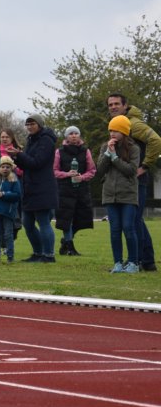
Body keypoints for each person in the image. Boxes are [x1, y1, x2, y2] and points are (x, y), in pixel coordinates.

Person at [107, 93, 160, 272]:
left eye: (116, 104)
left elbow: (156, 141)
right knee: (136, 221)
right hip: (126, 181)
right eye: (110, 105)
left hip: (135, 180)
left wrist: (144, 166)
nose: (113, 107)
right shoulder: (118, 124)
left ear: (125, 105)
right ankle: (146, 261)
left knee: (134, 221)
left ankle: (138, 261)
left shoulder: (134, 124)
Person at [13, 114, 59, 263]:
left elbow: (37, 163)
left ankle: (49, 255)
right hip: (30, 187)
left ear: (39, 124)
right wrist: (16, 158)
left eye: (32, 124)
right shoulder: (31, 140)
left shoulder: (46, 140)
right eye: (27, 124)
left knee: (43, 221)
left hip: (42, 187)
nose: (29, 127)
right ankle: (38, 253)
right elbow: (27, 164)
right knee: (27, 223)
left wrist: (20, 154)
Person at [98, 114, 141, 273]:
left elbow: (131, 171)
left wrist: (115, 157)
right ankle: (117, 263)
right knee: (115, 230)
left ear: (124, 132)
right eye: (110, 130)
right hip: (110, 195)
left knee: (128, 228)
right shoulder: (105, 146)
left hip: (128, 195)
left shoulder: (134, 149)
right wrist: (108, 153)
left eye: (116, 130)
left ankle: (133, 263)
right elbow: (100, 170)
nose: (112, 134)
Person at [53, 126, 96, 255]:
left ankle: (65, 241)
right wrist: (67, 174)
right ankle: (70, 247)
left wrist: (81, 177)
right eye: (71, 133)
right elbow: (54, 171)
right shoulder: (59, 152)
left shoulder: (86, 151)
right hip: (64, 190)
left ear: (79, 135)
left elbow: (92, 170)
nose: (73, 135)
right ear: (66, 136)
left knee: (82, 218)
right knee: (66, 219)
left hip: (81, 190)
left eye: (76, 133)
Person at [0, 156, 23, 263]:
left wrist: (4, 194)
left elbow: (17, 195)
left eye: (7, 167)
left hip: (8, 212)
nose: (5, 169)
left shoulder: (14, 180)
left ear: (11, 168)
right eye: (3, 166)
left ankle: (10, 257)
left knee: (8, 235)